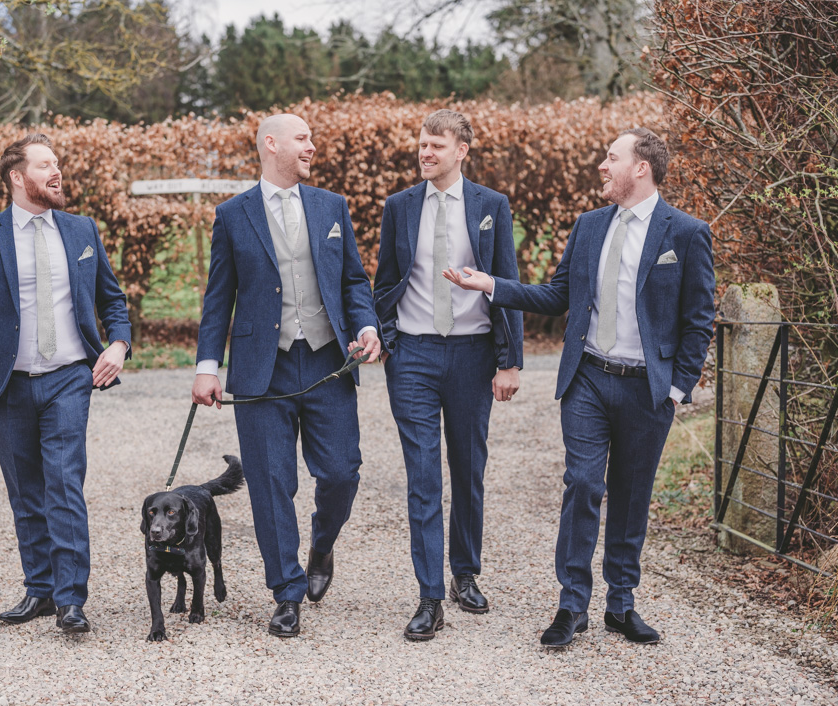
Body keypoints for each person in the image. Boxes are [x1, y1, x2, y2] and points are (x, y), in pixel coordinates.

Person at [444, 128, 715, 647]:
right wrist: (491, 286)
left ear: (641, 168)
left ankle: (621, 603)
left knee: (632, 496)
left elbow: (699, 320)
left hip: (647, 389)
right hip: (588, 377)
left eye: (612, 158)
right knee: (584, 484)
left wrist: (678, 389)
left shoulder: (685, 232)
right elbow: (556, 294)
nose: (601, 166)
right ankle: (572, 605)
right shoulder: (589, 226)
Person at [192, 113, 380, 638]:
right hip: (260, 371)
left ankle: (322, 546)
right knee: (271, 484)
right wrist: (209, 367)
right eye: (303, 139)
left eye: (313, 139)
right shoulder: (232, 215)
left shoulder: (331, 206)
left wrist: (366, 326)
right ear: (271, 144)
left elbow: (354, 281)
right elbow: (218, 299)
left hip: (327, 362)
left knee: (342, 472)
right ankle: (287, 591)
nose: (312, 146)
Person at [0, 133, 131, 634]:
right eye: (45, 164)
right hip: (4, 386)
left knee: (64, 484)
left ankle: (71, 600)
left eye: (58, 163)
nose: (57, 171)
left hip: (70, 376)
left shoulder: (82, 229)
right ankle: (40, 590)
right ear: (17, 177)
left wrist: (119, 344)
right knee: (25, 491)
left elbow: (112, 300)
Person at [372, 109, 523, 641]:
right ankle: (429, 596)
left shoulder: (491, 206)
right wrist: (382, 337)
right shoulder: (400, 206)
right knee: (423, 476)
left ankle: (465, 572)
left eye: (436, 145)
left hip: (472, 355)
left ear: (462, 150)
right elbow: (385, 281)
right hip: (412, 355)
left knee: (468, 468)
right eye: (421, 144)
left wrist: (510, 361)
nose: (425, 153)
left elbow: (508, 280)